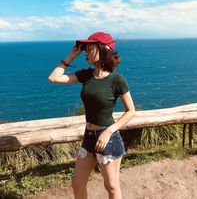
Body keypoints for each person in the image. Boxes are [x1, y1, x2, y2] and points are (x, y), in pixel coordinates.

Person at [48, 32, 135, 199]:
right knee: (77, 184)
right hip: (88, 138)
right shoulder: (86, 75)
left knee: (111, 187)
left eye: (89, 49)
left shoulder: (117, 80)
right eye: (85, 49)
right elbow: (54, 78)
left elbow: (130, 111)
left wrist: (109, 131)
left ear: (103, 49)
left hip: (108, 140)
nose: (85, 53)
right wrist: (72, 55)